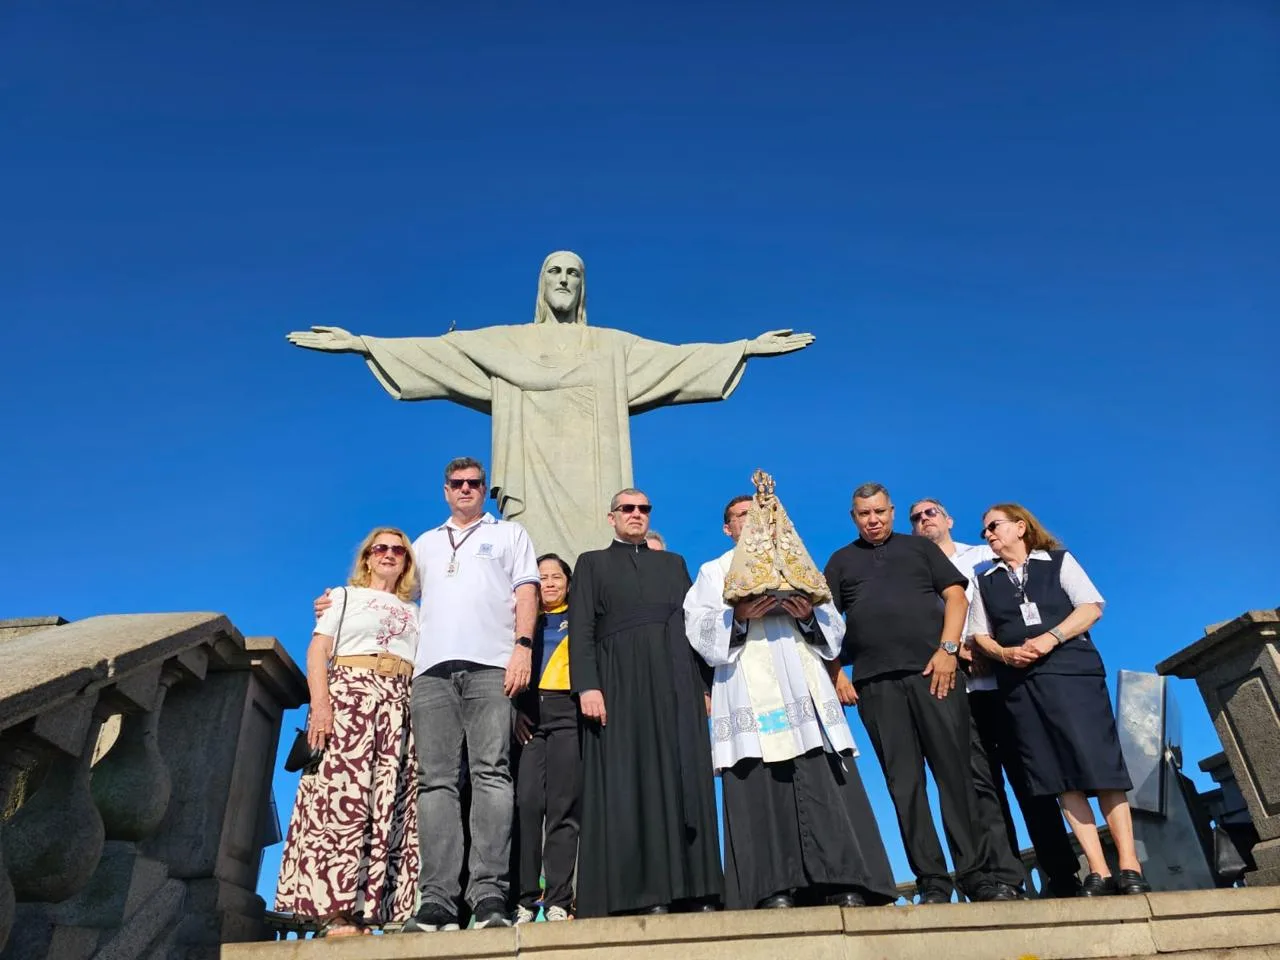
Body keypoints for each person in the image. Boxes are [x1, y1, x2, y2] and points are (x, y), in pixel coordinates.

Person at [286, 250, 815, 565]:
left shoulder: (612, 347)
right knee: (533, 569)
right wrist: (363, 343)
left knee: (596, 564)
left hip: (594, 476)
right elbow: (439, 354)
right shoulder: (505, 343)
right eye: (554, 273)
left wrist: (743, 347)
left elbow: (676, 362)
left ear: (582, 286)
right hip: (532, 480)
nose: (563, 280)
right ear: (542, 284)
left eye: (573, 274)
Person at [318, 457, 540, 931]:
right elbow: (393, 593)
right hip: (431, 673)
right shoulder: (425, 543)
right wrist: (342, 600)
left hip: (491, 665)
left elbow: (526, 593)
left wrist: (522, 648)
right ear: (445, 491)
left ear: (485, 489)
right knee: (434, 782)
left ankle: (489, 897)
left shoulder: (509, 535)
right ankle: (437, 899)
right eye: (457, 483)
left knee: (491, 775)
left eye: (474, 483)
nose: (465, 489)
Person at [685, 485, 898, 911]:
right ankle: (771, 888)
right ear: (729, 529)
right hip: (746, 684)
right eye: (740, 516)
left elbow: (832, 626)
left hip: (801, 682)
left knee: (820, 777)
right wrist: (739, 616)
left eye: (756, 514)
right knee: (758, 779)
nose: (749, 521)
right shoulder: (714, 571)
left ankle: (843, 881)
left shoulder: (796, 562)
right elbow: (698, 628)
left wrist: (808, 615)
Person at [823, 483, 1014, 905]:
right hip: (875, 684)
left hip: (936, 675)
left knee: (956, 776)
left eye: (879, 512)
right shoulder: (840, 561)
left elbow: (956, 597)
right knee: (903, 784)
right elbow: (824, 625)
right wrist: (836, 674)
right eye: (863, 514)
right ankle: (932, 879)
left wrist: (948, 651)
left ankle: (976, 874)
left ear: (890, 511)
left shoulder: (919, 549)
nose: (873, 520)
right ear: (853, 517)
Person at [969, 503, 1150, 897]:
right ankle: (1097, 870)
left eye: (993, 527)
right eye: (985, 531)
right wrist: (1004, 654)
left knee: (1100, 768)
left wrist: (1051, 637)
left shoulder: (1058, 562)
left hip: (1072, 674)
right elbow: (979, 634)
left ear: (1020, 527)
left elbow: (1091, 607)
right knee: (1059, 774)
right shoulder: (984, 581)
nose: (988, 535)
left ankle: (1129, 864)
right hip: (1022, 686)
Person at [910, 498, 1081, 898]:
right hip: (957, 693)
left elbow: (1009, 603)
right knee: (981, 789)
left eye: (930, 513)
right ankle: (1007, 878)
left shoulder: (984, 555)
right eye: (916, 518)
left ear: (948, 519)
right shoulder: (914, 570)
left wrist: (986, 649)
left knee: (1032, 780)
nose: (923, 520)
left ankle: (1061, 872)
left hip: (1004, 684)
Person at [570, 487, 723, 917]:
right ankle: (644, 891)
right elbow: (581, 628)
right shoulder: (592, 563)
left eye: (643, 509)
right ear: (611, 517)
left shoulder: (673, 564)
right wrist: (588, 686)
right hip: (618, 684)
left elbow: (696, 627)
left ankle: (698, 888)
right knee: (632, 780)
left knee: (684, 777)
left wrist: (707, 687)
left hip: (676, 681)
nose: (636, 515)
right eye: (627, 509)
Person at [276, 528, 421, 937]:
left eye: (399, 550)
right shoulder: (342, 596)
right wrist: (319, 705)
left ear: (406, 562)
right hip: (350, 695)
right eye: (382, 548)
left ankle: (371, 912)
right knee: (341, 800)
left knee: (386, 802)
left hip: (398, 703)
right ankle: (334, 912)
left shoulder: (416, 610)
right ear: (368, 558)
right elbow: (318, 650)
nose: (390, 555)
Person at [512, 554, 580, 924]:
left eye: (556, 577)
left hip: (567, 715)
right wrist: (514, 710)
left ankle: (558, 898)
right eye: (542, 578)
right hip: (530, 719)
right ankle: (524, 898)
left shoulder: (580, 617)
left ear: (568, 582)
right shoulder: (523, 620)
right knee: (527, 804)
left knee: (562, 808)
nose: (550, 584)